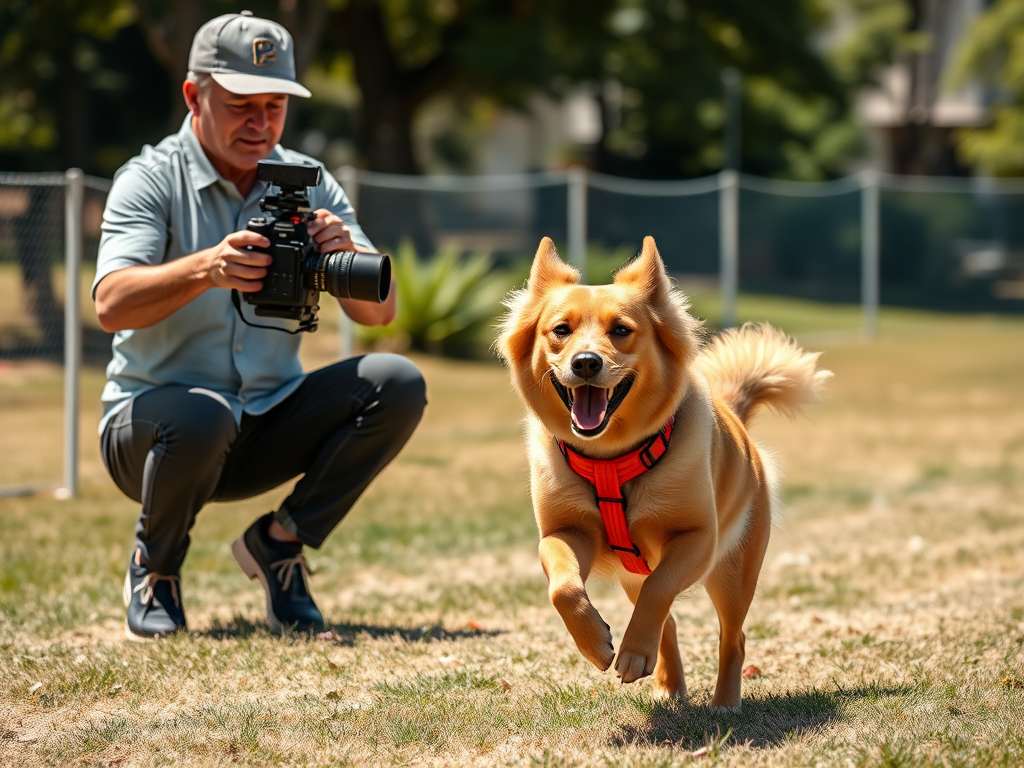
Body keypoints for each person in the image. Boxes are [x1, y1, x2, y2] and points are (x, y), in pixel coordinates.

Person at [93, 11, 426, 641]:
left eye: (275, 106)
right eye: (242, 104)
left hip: (263, 421)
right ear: (195, 96)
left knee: (397, 382)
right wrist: (206, 268)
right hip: (152, 432)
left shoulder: (310, 182)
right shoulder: (150, 179)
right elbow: (111, 303)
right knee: (202, 413)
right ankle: (155, 566)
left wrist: (339, 255)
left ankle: (281, 542)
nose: (261, 123)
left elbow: (380, 315)